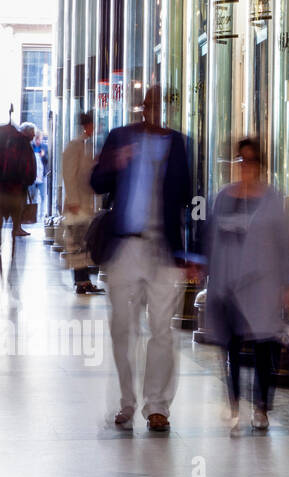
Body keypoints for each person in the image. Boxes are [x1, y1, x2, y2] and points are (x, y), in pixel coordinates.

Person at [90, 86, 194, 433]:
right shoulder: (120, 137)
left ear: (165, 107)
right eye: (147, 104)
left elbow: (188, 197)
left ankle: (157, 406)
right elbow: (96, 182)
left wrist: (191, 253)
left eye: (158, 104)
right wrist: (115, 163)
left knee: (163, 330)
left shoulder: (178, 143)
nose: (152, 110)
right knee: (123, 328)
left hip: (164, 250)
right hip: (126, 246)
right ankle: (126, 402)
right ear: (141, 107)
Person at [204, 137, 289, 432]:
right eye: (241, 160)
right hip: (227, 286)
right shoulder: (222, 198)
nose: (245, 167)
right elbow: (211, 241)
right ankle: (233, 403)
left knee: (263, 349)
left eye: (251, 161)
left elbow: (288, 245)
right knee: (230, 349)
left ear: (260, 166)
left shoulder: (273, 200)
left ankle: (261, 407)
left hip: (262, 287)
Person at [62, 114, 104, 295]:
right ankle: (81, 281)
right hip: (77, 204)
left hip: (84, 203)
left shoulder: (85, 146)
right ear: (87, 125)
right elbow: (69, 174)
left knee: (83, 243)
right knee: (78, 243)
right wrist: (73, 201)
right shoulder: (75, 146)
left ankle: (84, 280)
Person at [0, 115, 36, 238]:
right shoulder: (22, 143)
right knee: (17, 208)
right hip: (16, 184)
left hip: (7, 183)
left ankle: (16, 229)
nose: (34, 135)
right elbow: (24, 163)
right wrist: (26, 179)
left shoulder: (10, 140)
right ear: (26, 132)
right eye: (32, 132)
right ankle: (16, 229)